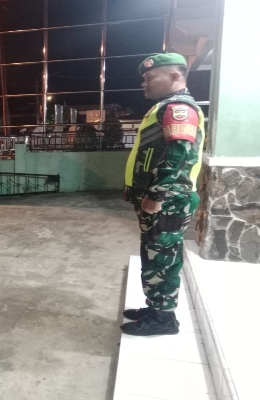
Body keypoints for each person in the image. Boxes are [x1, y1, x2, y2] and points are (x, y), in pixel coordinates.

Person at [121, 53, 205, 336]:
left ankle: (163, 319)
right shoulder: (165, 107)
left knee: (163, 257)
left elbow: (179, 155)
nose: (143, 83)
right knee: (155, 253)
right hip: (164, 199)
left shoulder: (179, 108)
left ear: (174, 76)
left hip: (168, 200)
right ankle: (156, 307)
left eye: (149, 77)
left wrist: (156, 195)